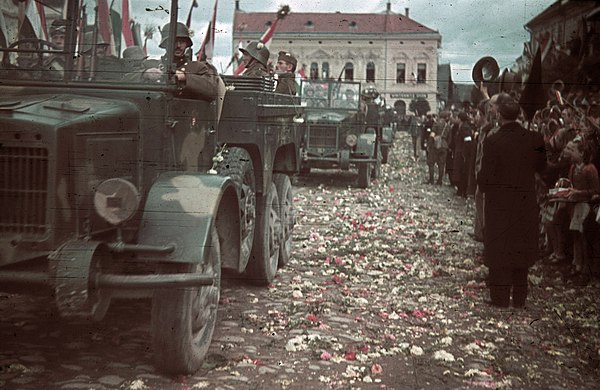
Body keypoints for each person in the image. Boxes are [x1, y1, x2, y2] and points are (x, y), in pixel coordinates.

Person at [477, 93, 547, 308]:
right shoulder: (535, 139)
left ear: (500, 115)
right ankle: (519, 298)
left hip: (499, 204)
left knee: (500, 250)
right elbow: (542, 168)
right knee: (521, 248)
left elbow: (485, 177)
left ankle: (499, 298)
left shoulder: (493, 141)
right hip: (525, 202)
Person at [142, 22, 219, 101]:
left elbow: (212, 90)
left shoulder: (198, 68)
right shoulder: (149, 65)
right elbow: (129, 77)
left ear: (186, 44)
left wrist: (184, 77)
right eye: (174, 41)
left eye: (182, 42)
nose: (178, 45)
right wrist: (145, 74)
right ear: (165, 44)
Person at [426, 111, 452, 185]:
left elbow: (432, 135)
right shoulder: (448, 126)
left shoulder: (436, 124)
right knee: (441, 164)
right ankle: (439, 181)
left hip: (436, 145)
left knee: (431, 162)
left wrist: (429, 145)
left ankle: (431, 180)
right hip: (444, 145)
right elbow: (450, 138)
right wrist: (447, 145)